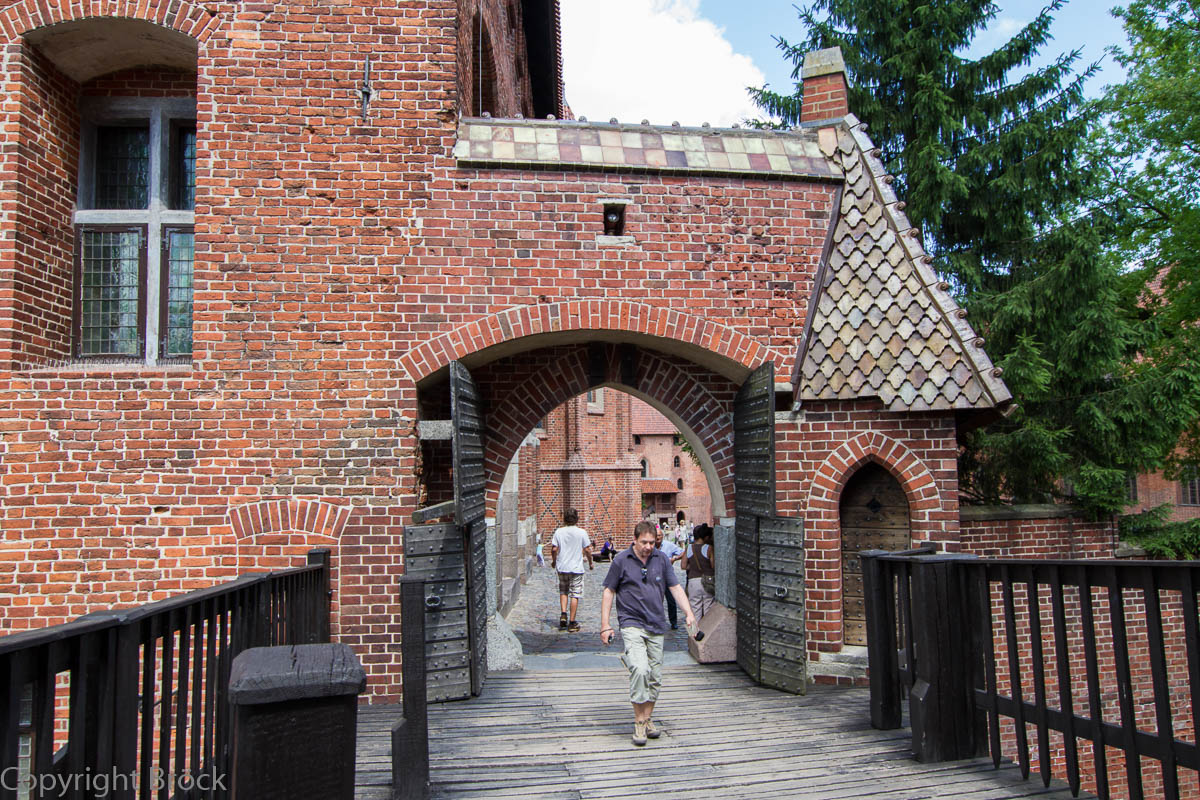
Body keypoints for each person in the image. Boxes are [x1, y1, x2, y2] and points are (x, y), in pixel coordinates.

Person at [600, 521, 695, 746]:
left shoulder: (661, 559)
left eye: (652, 542)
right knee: (640, 669)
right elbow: (608, 591)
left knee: (655, 677)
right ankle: (639, 722)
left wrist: (688, 613)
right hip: (631, 623)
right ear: (635, 540)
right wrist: (605, 624)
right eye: (644, 542)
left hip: (655, 624)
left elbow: (675, 587)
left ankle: (648, 717)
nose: (648, 546)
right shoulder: (622, 560)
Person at [551, 508, 592, 632]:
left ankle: (563, 614)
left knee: (563, 591)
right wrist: (590, 563)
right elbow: (588, 549)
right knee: (575, 593)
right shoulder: (581, 532)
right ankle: (572, 622)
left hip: (562, 566)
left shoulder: (559, 532)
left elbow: (554, 549)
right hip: (576, 568)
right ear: (577, 519)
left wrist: (554, 561)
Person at [681, 523, 716, 619]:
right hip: (708, 581)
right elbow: (713, 565)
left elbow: (683, 566)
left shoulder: (689, 547)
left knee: (694, 611)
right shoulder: (709, 548)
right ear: (705, 537)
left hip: (693, 581)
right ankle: (708, 633)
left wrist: (692, 567)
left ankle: (693, 633)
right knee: (708, 611)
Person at [655, 527, 684, 629]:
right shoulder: (650, 546)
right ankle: (657, 621)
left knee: (671, 600)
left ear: (662, 536)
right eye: (656, 535)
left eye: (659, 535)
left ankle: (673, 622)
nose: (658, 537)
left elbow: (683, 551)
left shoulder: (669, 545)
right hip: (654, 577)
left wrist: (675, 558)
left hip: (667, 577)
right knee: (656, 600)